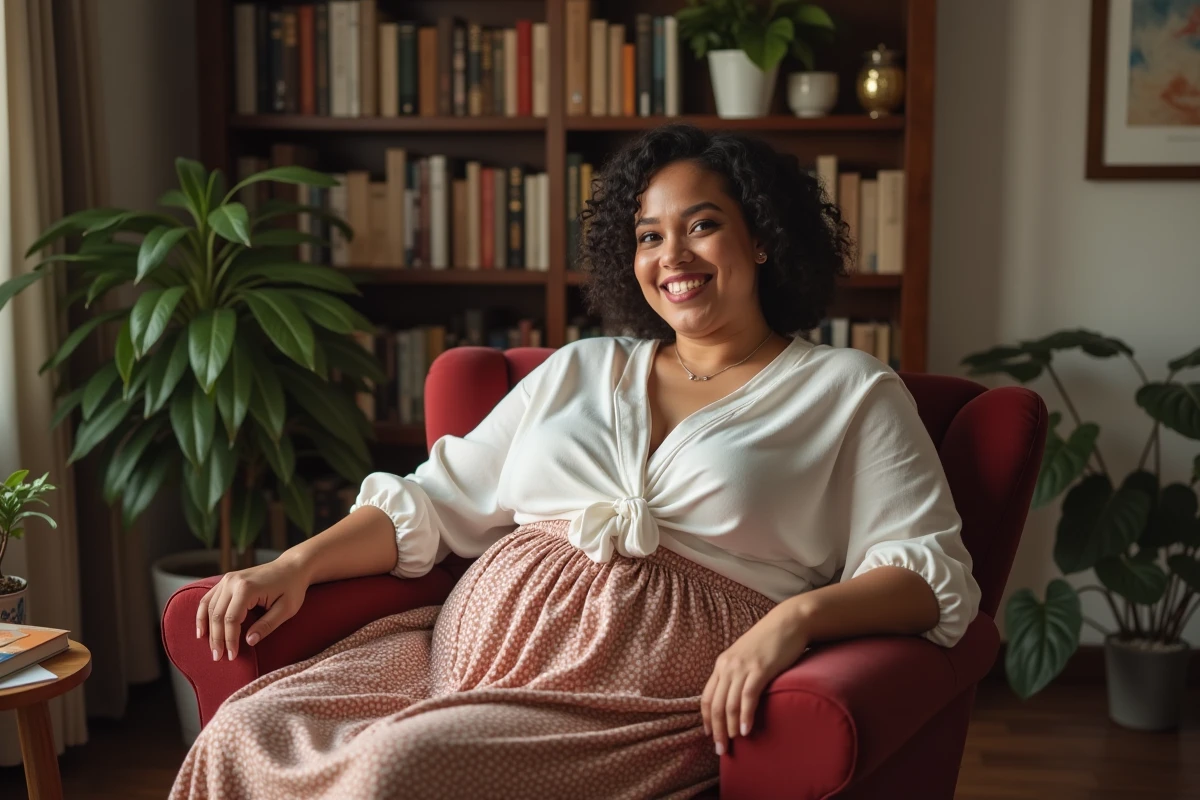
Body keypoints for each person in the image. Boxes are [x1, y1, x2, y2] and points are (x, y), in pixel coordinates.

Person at [173, 123, 980, 800]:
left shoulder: (849, 391)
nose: (674, 256)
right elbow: (432, 503)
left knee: (396, 768)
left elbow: (926, 573)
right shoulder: (583, 368)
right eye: (649, 235)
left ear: (763, 236)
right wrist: (296, 565)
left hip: (627, 704)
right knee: (247, 730)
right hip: (458, 660)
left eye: (701, 225)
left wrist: (793, 621)